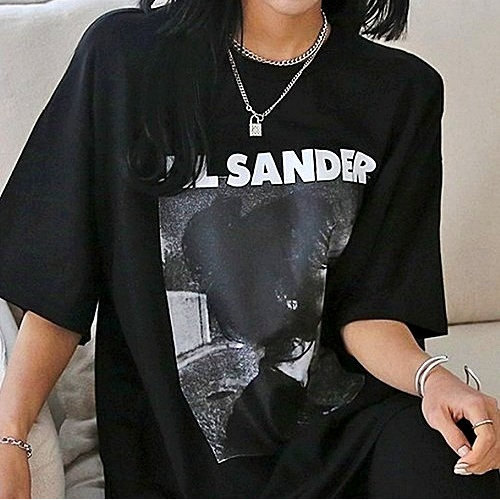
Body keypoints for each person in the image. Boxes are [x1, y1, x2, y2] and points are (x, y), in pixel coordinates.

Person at [0, 0, 498, 497]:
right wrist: (10, 434)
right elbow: (57, 277)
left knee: (457, 469)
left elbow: (372, 311)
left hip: (355, 438)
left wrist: (434, 379)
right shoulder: (127, 58)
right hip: (188, 462)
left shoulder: (402, 90)